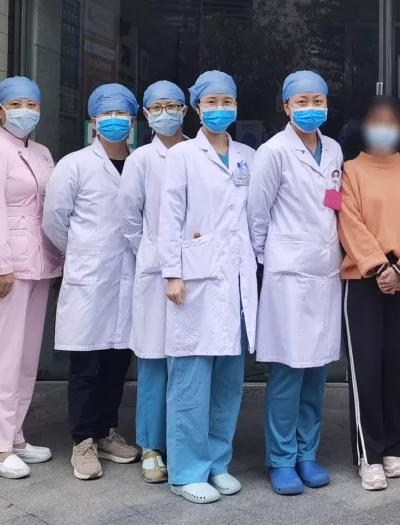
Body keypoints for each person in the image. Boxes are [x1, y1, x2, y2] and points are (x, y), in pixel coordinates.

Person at [159, 70, 257, 504]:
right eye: (211, 102)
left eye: (227, 101)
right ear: (197, 108)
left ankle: (218, 462)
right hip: (194, 280)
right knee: (191, 380)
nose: (220, 109)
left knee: (228, 381)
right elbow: (169, 217)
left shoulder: (247, 156)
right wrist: (172, 272)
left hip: (236, 280)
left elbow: (253, 216)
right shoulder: (182, 155)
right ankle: (186, 471)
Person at [247, 71, 344, 496]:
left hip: (325, 271)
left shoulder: (334, 148)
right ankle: (281, 458)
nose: (310, 108)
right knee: (288, 372)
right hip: (286, 275)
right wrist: (269, 260)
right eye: (301, 101)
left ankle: (307, 453)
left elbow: (333, 199)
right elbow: (257, 213)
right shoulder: (273, 152)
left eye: (317, 100)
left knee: (316, 372)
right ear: (286, 106)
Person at [43, 83, 143, 480]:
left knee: (118, 362)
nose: (115, 121)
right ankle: (82, 441)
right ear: (93, 121)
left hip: (129, 276)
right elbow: (54, 219)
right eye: (107, 115)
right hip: (90, 275)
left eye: (122, 115)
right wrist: (83, 251)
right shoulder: (75, 165)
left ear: (133, 121)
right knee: (85, 364)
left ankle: (105, 432)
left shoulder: (140, 163)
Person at [0, 77, 62, 479]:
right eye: (17, 104)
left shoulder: (41, 153)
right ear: (0, 111)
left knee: (26, 358)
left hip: (39, 264)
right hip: (5, 270)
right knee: (2, 357)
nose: (26, 110)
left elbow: (50, 208)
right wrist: (0, 265)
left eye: (32, 104)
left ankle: (15, 435)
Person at [338, 96, 400, 492]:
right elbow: (346, 220)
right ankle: (369, 454)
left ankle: (393, 447)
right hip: (363, 280)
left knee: (397, 367)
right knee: (366, 369)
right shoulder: (349, 171)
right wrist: (377, 267)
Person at [118, 80, 189, 484]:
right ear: (145, 115)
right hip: (155, 269)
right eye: (156, 107)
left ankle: (182, 445)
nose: (165, 113)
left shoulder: (197, 152)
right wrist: (151, 249)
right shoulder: (141, 159)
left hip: (194, 269)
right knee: (155, 360)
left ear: (185, 110)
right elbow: (129, 217)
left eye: (172, 106)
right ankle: (150, 446)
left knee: (187, 363)